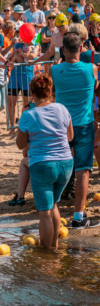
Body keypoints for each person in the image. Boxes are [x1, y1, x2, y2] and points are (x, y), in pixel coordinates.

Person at [15, 75, 73, 250]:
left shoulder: (28, 115)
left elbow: (20, 144)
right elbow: (70, 136)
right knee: (53, 205)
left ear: (32, 93)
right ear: (50, 92)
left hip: (42, 165)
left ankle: (47, 254)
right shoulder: (62, 109)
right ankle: (54, 248)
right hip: (65, 163)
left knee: (45, 212)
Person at [51, 32, 100, 229]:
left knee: (61, 165)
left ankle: (51, 210)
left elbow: (50, 91)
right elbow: (96, 88)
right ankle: (78, 216)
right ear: (81, 49)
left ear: (63, 49)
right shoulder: (91, 68)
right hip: (84, 124)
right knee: (83, 170)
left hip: (61, 124)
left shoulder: (54, 70)